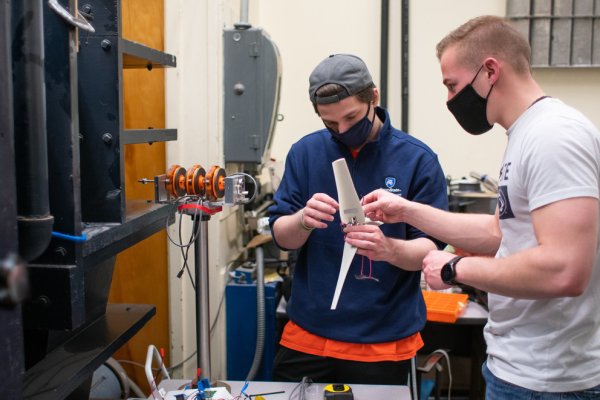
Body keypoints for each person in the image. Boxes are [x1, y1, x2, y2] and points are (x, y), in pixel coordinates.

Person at [361, 16, 600, 398]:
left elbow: (565, 269)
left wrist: (455, 268)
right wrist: (407, 210)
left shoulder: (554, 136)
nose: (451, 100)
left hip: (549, 381)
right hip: (517, 367)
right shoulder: (527, 134)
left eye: (453, 85)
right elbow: (498, 233)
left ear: (490, 70)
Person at [267, 53, 448, 385]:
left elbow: (429, 251)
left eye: (351, 117)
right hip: (308, 335)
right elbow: (281, 234)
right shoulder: (306, 153)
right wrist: (303, 221)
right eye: (330, 123)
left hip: (383, 341)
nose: (343, 129)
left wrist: (388, 248)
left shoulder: (416, 160)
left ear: (373, 97)